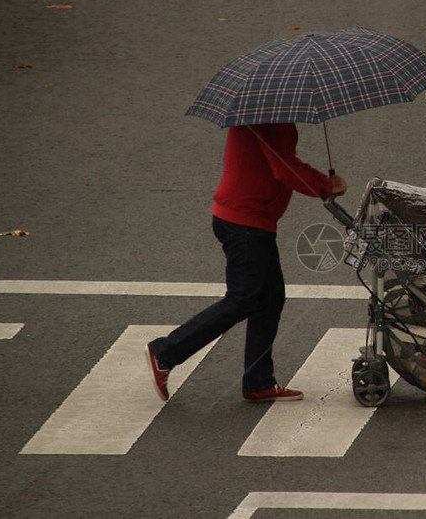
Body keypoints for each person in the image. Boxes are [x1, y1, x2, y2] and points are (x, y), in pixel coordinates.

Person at [145, 123, 347, 402]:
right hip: (245, 222)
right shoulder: (271, 119)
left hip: (249, 220)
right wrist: (325, 185)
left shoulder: (264, 113)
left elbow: (283, 161)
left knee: (271, 298)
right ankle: (165, 352)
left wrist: (320, 181)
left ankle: (258, 381)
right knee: (242, 299)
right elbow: (284, 169)